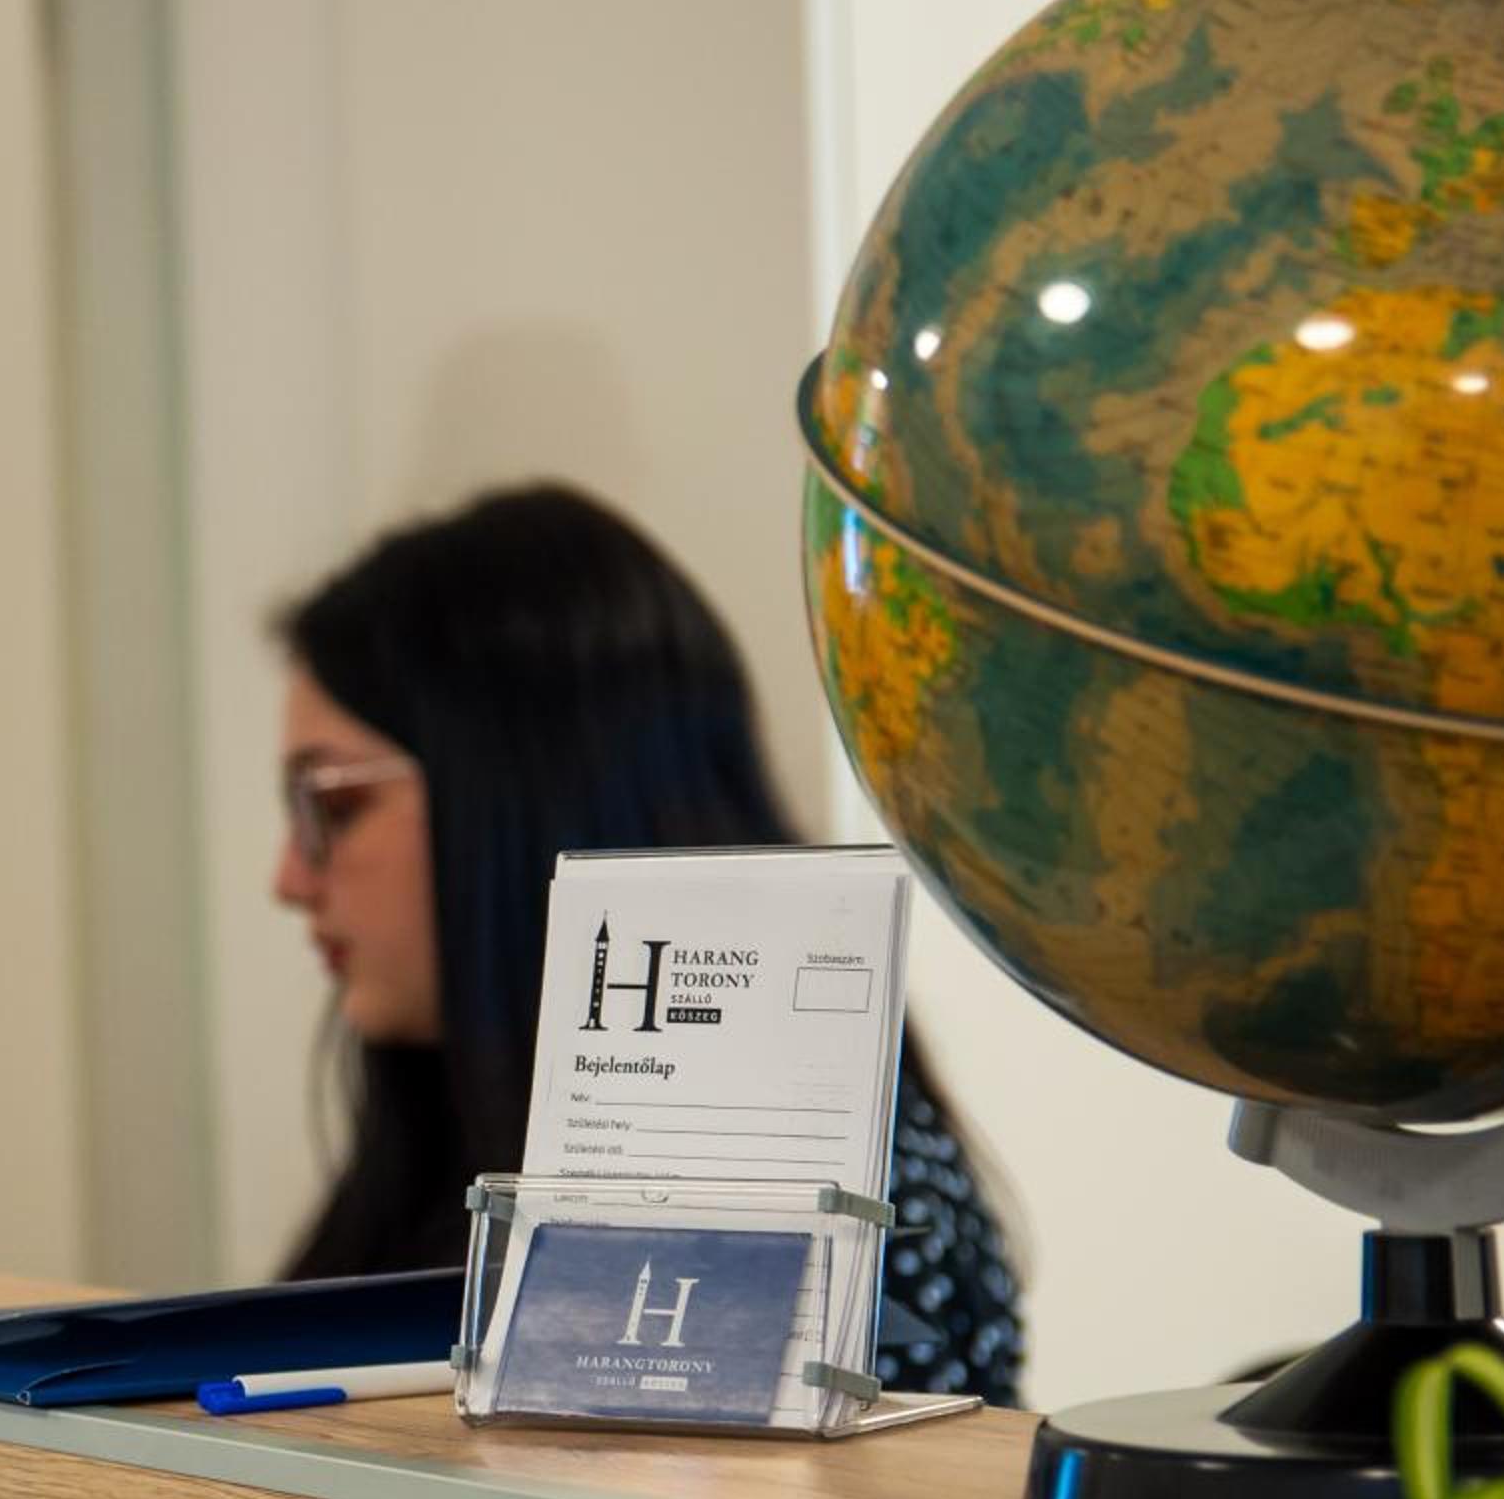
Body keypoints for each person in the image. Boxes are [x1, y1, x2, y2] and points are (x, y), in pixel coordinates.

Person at [269, 481, 1023, 1402]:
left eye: (334, 806)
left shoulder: (850, 1221)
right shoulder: (432, 1139)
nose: (288, 879)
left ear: (521, 796)